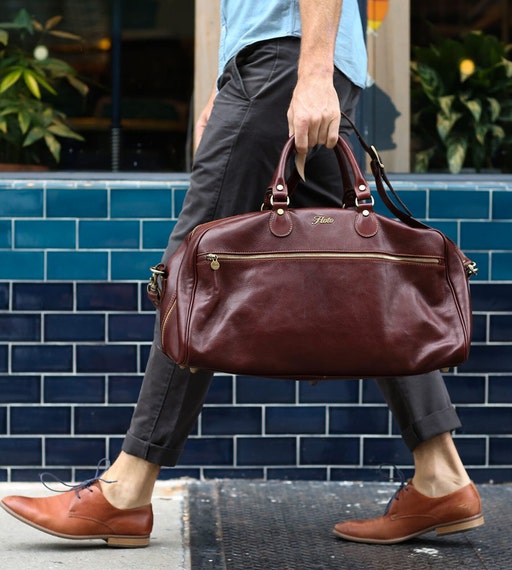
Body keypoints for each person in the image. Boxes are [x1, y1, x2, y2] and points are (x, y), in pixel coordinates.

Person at [0, 0, 483, 548]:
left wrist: (312, 73)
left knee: (193, 270)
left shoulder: (298, 63)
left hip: (285, 62)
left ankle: (125, 491)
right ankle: (441, 474)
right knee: (362, 271)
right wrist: (224, 85)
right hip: (281, 62)